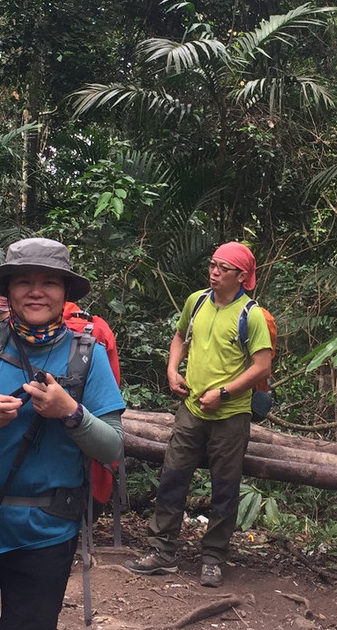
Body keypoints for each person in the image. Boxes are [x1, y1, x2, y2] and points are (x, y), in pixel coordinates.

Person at [0, 237, 125, 630]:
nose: (35, 291)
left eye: (49, 282)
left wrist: (71, 412)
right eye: (23, 281)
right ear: (8, 291)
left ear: (64, 293)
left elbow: (112, 444)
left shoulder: (88, 355)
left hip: (44, 535)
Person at [125, 242, 272, 588]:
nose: (215, 271)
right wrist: (173, 369)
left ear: (242, 276)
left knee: (224, 487)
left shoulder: (250, 315)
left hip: (231, 414)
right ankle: (161, 551)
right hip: (190, 407)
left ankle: (213, 558)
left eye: (224, 267)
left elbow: (262, 364)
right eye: (213, 264)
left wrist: (224, 393)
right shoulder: (197, 301)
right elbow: (180, 337)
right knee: (173, 476)